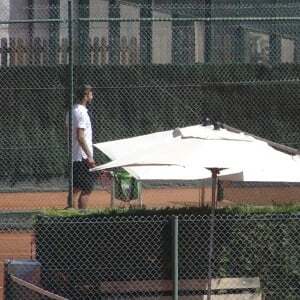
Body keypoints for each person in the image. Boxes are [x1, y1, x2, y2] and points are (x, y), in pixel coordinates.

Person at [65, 84, 96, 209]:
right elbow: (80, 136)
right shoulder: (82, 113)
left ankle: (71, 217)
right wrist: (89, 156)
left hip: (74, 156)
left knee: (75, 188)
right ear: (85, 96)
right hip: (82, 157)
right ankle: (82, 220)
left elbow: (67, 133)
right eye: (90, 93)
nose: (92, 95)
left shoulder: (71, 112)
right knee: (86, 189)